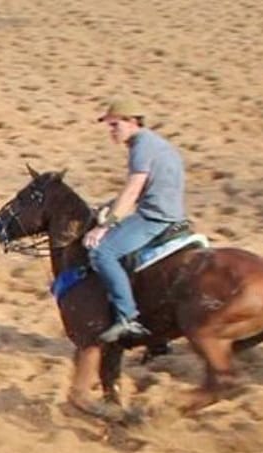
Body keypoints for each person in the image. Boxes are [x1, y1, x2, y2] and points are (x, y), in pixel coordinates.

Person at [85, 98, 187, 342]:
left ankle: (127, 317)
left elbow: (133, 190)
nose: (111, 131)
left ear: (132, 122)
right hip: (172, 212)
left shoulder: (141, 147)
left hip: (154, 217)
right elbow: (139, 191)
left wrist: (104, 226)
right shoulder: (155, 143)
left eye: (114, 125)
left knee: (101, 252)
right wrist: (109, 206)